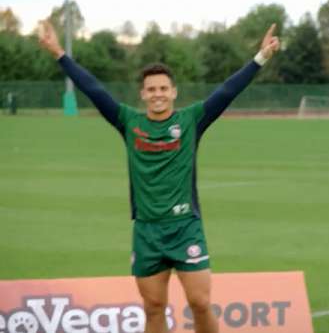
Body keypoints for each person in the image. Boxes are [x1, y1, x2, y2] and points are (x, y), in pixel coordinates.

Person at [37, 20, 280, 333]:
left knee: (201, 303)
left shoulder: (192, 119)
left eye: (163, 88)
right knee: (153, 309)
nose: (158, 94)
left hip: (185, 228)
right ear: (143, 94)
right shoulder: (128, 121)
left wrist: (260, 57)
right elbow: (94, 90)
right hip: (147, 231)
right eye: (151, 89)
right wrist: (58, 52)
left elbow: (227, 91)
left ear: (174, 92)